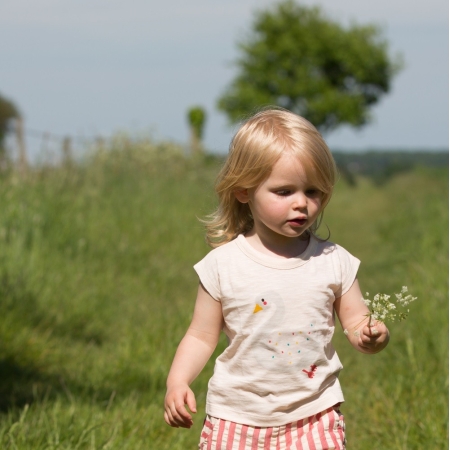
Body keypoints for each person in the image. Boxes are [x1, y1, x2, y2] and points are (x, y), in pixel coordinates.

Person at [164, 108, 390, 449]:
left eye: (312, 192)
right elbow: (200, 336)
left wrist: (370, 334)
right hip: (236, 417)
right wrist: (178, 381)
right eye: (284, 192)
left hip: (314, 414)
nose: (302, 204)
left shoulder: (333, 261)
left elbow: (357, 320)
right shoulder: (223, 265)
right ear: (244, 191)